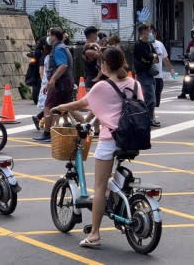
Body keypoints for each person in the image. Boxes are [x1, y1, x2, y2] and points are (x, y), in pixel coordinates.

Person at [50, 47, 144, 249]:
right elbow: (111, 108)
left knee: (99, 187)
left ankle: (94, 234)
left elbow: (82, 103)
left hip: (110, 139)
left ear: (104, 65)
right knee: (107, 183)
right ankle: (114, 200)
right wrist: (91, 120)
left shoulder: (102, 86)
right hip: (134, 139)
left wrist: (60, 108)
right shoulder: (134, 84)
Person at [32, 28, 75, 142]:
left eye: (49, 35)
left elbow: (63, 65)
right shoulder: (63, 47)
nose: (48, 38)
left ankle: (47, 133)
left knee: (48, 107)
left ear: (54, 36)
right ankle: (82, 126)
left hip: (59, 84)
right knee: (66, 108)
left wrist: (52, 80)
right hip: (66, 83)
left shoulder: (58, 49)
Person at [132, 24, 158, 126]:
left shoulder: (149, 44)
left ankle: (149, 119)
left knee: (152, 99)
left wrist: (152, 57)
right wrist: (151, 58)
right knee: (149, 98)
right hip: (143, 74)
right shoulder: (138, 45)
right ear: (143, 32)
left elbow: (155, 57)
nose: (150, 33)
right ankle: (145, 119)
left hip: (150, 73)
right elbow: (147, 58)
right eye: (149, 31)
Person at [151, 29, 175, 108]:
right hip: (148, 77)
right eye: (148, 32)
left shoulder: (160, 44)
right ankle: (151, 118)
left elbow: (165, 58)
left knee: (156, 101)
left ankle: (152, 117)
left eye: (152, 33)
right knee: (149, 100)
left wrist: (171, 69)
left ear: (155, 33)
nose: (151, 34)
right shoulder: (144, 44)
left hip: (158, 76)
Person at [82, 26, 102, 90]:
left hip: (96, 79)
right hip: (92, 80)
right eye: (96, 34)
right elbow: (103, 56)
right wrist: (97, 45)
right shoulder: (88, 49)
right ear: (92, 35)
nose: (97, 36)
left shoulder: (92, 46)